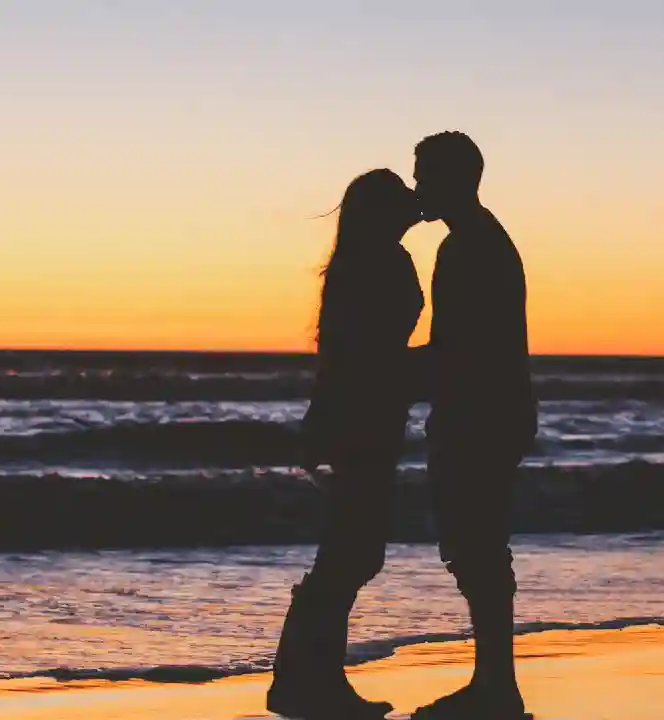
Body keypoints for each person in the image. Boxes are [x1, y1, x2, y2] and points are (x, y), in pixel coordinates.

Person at [267, 168, 424, 719]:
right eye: (403, 195)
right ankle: (307, 680)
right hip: (365, 418)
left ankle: (306, 678)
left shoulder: (366, 260)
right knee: (352, 550)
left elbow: (352, 352)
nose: (415, 200)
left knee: (350, 550)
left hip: (367, 415)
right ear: (382, 210)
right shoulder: (377, 262)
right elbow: (364, 355)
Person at [410, 131, 538, 720]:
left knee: (475, 547)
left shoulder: (468, 248)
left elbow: (457, 347)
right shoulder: (483, 241)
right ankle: (494, 682)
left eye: (425, 175)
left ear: (456, 179)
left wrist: (383, 371)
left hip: (477, 415)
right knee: (479, 547)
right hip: (493, 411)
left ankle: (495, 686)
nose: (418, 188)